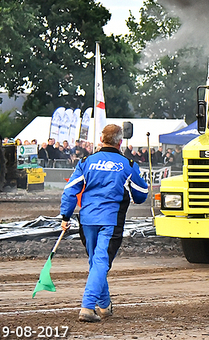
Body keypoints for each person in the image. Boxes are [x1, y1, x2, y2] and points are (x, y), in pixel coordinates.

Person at [60, 124, 148, 323]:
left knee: (96, 263)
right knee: (101, 263)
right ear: (120, 142)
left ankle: (105, 305)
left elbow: (70, 190)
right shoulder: (128, 164)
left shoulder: (86, 161)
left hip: (87, 220)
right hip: (111, 222)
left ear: (101, 140)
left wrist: (65, 216)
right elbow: (142, 196)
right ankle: (87, 307)